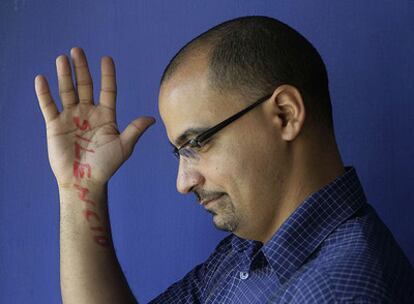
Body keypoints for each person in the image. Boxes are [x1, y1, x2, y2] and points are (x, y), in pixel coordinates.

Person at [34, 16, 413, 304]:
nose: (183, 182)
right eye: (179, 152)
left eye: (197, 142)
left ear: (284, 114)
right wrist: (80, 188)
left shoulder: (334, 291)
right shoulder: (250, 249)